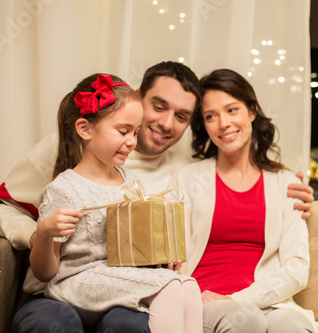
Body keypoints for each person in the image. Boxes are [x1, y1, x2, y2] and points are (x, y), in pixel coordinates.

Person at [0, 61, 315, 332]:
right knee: (52, 322)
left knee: (133, 322)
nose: (166, 123)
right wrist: (42, 233)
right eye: (159, 106)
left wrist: (290, 189)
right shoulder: (68, 144)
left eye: (182, 116)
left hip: (125, 293)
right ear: (138, 97)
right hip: (56, 286)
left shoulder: (180, 173)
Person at [29, 73, 202, 332]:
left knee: (187, 284)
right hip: (77, 283)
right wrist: (43, 232)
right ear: (85, 129)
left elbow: (134, 248)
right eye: (123, 131)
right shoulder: (63, 189)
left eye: (135, 131)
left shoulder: (130, 180)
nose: (132, 141)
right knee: (167, 287)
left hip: (115, 276)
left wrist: (160, 256)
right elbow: (45, 273)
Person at [169, 69, 318, 333]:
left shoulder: (285, 183)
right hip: (204, 300)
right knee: (244, 320)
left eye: (232, 110)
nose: (223, 123)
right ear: (204, 125)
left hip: (266, 300)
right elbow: (169, 257)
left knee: (293, 326)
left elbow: (297, 268)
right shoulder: (188, 179)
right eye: (211, 116)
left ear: (252, 111)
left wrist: (240, 298)